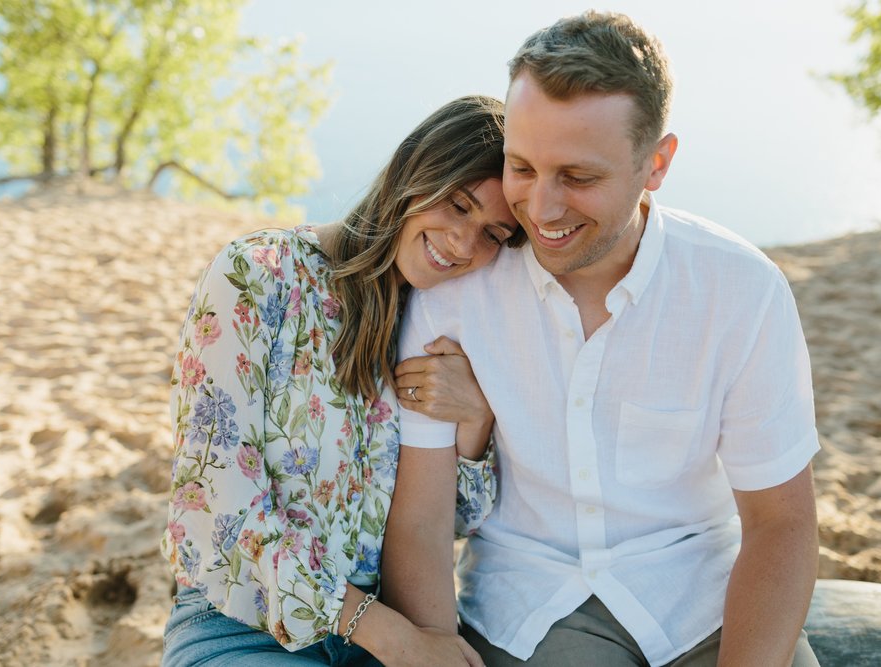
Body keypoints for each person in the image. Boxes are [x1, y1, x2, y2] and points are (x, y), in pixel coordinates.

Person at [397, 11, 821, 666]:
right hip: (530, 611)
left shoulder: (742, 289)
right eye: (522, 167)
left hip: (702, 603)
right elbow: (421, 519)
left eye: (579, 177)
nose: (541, 208)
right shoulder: (452, 290)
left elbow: (781, 521)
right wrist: (434, 647)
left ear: (656, 164)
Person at [159, 94, 523, 666]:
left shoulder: (433, 321)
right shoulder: (257, 275)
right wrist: (390, 637)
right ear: (414, 168)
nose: (463, 243)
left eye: (494, 234)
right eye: (456, 205)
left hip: (385, 632)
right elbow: (218, 508)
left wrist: (476, 420)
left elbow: (446, 523)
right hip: (245, 624)